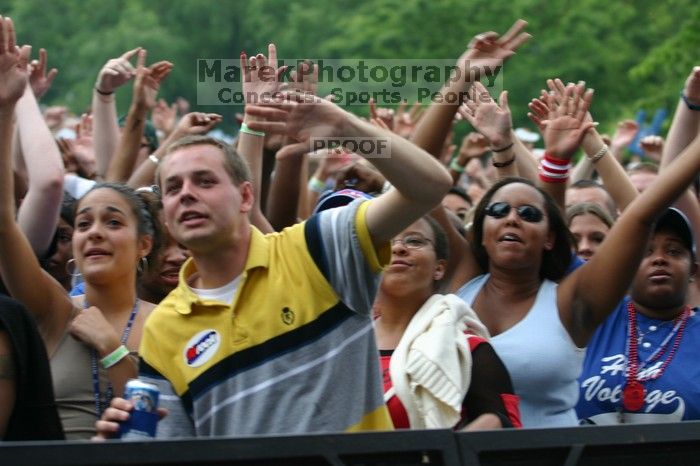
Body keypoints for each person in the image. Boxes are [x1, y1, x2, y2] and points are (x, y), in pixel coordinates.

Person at [95, 46, 452, 438]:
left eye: (205, 181)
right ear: (164, 213)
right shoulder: (164, 327)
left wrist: (347, 130)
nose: (187, 194)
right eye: (174, 187)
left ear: (246, 197)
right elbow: (172, 448)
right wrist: (121, 446)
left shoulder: (318, 248)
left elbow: (430, 186)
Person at [447, 81, 700, 427]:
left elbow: (641, 215)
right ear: (480, 233)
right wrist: (464, 88)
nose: (511, 219)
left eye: (674, 251)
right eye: (499, 212)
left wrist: (564, 157)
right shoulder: (462, 287)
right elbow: (421, 190)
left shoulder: (575, 299)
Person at [0, 16, 161, 439]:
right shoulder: (55, 312)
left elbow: (167, 427)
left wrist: (111, 349)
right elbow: (3, 224)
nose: (94, 232)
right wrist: (4, 110)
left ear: (145, 244)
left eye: (113, 222)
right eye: (84, 223)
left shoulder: (171, 321)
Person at [373, 216, 520, 430]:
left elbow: (508, 435)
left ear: (439, 268)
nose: (398, 248)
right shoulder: (346, 345)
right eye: (386, 241)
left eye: (414, 241)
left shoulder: (467, 350)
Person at [577, 208, 700, 424]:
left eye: (674, 251)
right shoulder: (594, 315)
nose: (659, 259)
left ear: (693, 271)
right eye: (646, 251)